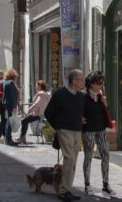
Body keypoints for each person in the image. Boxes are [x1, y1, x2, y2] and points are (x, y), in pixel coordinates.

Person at [44, 69, 86, 202]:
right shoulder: (60, 94)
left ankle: (67, 189)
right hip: (65, 130)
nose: (83, 82)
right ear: (74, 81)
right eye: (81, 79)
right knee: (69, 158)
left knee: (73, 160)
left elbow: (79, 112)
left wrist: (80, 119)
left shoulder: (80, 96)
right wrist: (58, 126)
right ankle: (63, 191)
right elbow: (48, 112)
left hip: (77, 130)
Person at [82, 71, 115, 196]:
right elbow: (80, 111)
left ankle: (105, 184)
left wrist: (105, 104)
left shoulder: (101, 96)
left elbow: (104, 112)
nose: (101, 85)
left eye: (102, 82)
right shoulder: (84, 96)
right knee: (88, 156)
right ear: (91, 84)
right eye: (99, 82)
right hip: (88, 130)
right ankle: (87, 184)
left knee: (106, 155)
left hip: (101, 129)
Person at [17, 80, 51, 144]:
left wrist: (29, 111)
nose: (35, 87)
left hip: (38, 114)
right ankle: (22, 137)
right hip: (42, 113)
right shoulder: (46, 94)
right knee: (25, 121)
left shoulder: (41, 94)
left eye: (36, 85)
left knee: (24, 121)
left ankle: (22, 137)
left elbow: (36, 104)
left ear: (39, 86)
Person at [1, 68, 20, 146]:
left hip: (7, 104)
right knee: (10, 121)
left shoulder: (6, 82)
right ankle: (8, 139)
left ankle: (8, 139)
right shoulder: (11, 83)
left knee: (8, 120)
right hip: (11, 104)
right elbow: (12, 95)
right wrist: (14, 106)